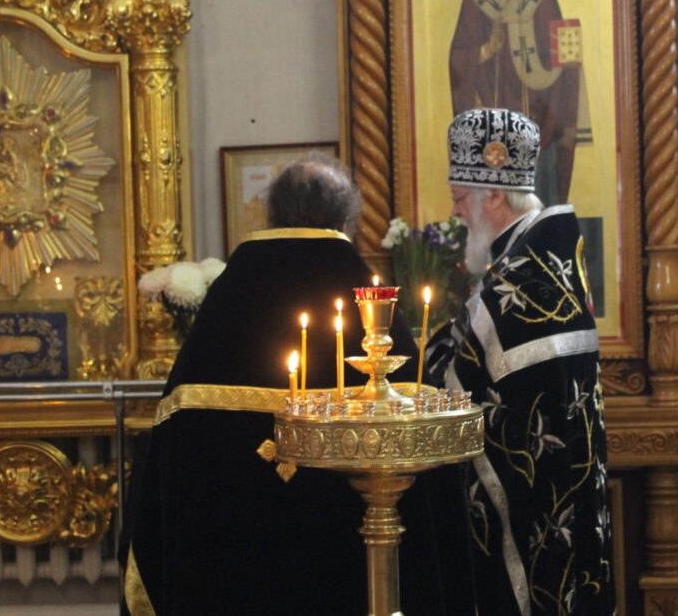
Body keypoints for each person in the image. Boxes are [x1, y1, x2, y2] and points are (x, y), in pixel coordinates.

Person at [120, 155, 473, 615]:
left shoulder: (227, 304)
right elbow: (429, 475)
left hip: (231, 573)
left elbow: (172, 454)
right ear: (346, 221)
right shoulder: (366, 302)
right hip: (348, 574)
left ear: (272, 216)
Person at [427, 108, 614, 615]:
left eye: (461, 198)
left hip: (540, 506)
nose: (456, 213)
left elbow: (455, 380)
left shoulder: (522, 278)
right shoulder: (543, 261)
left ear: (493, 194)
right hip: (560, 492)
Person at [449, 0, 586, 207]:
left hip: (538, 119)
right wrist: (487, 49)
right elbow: (458, 59)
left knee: (538, 195)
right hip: (493, 116)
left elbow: (562, 59)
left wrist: (564, 71)